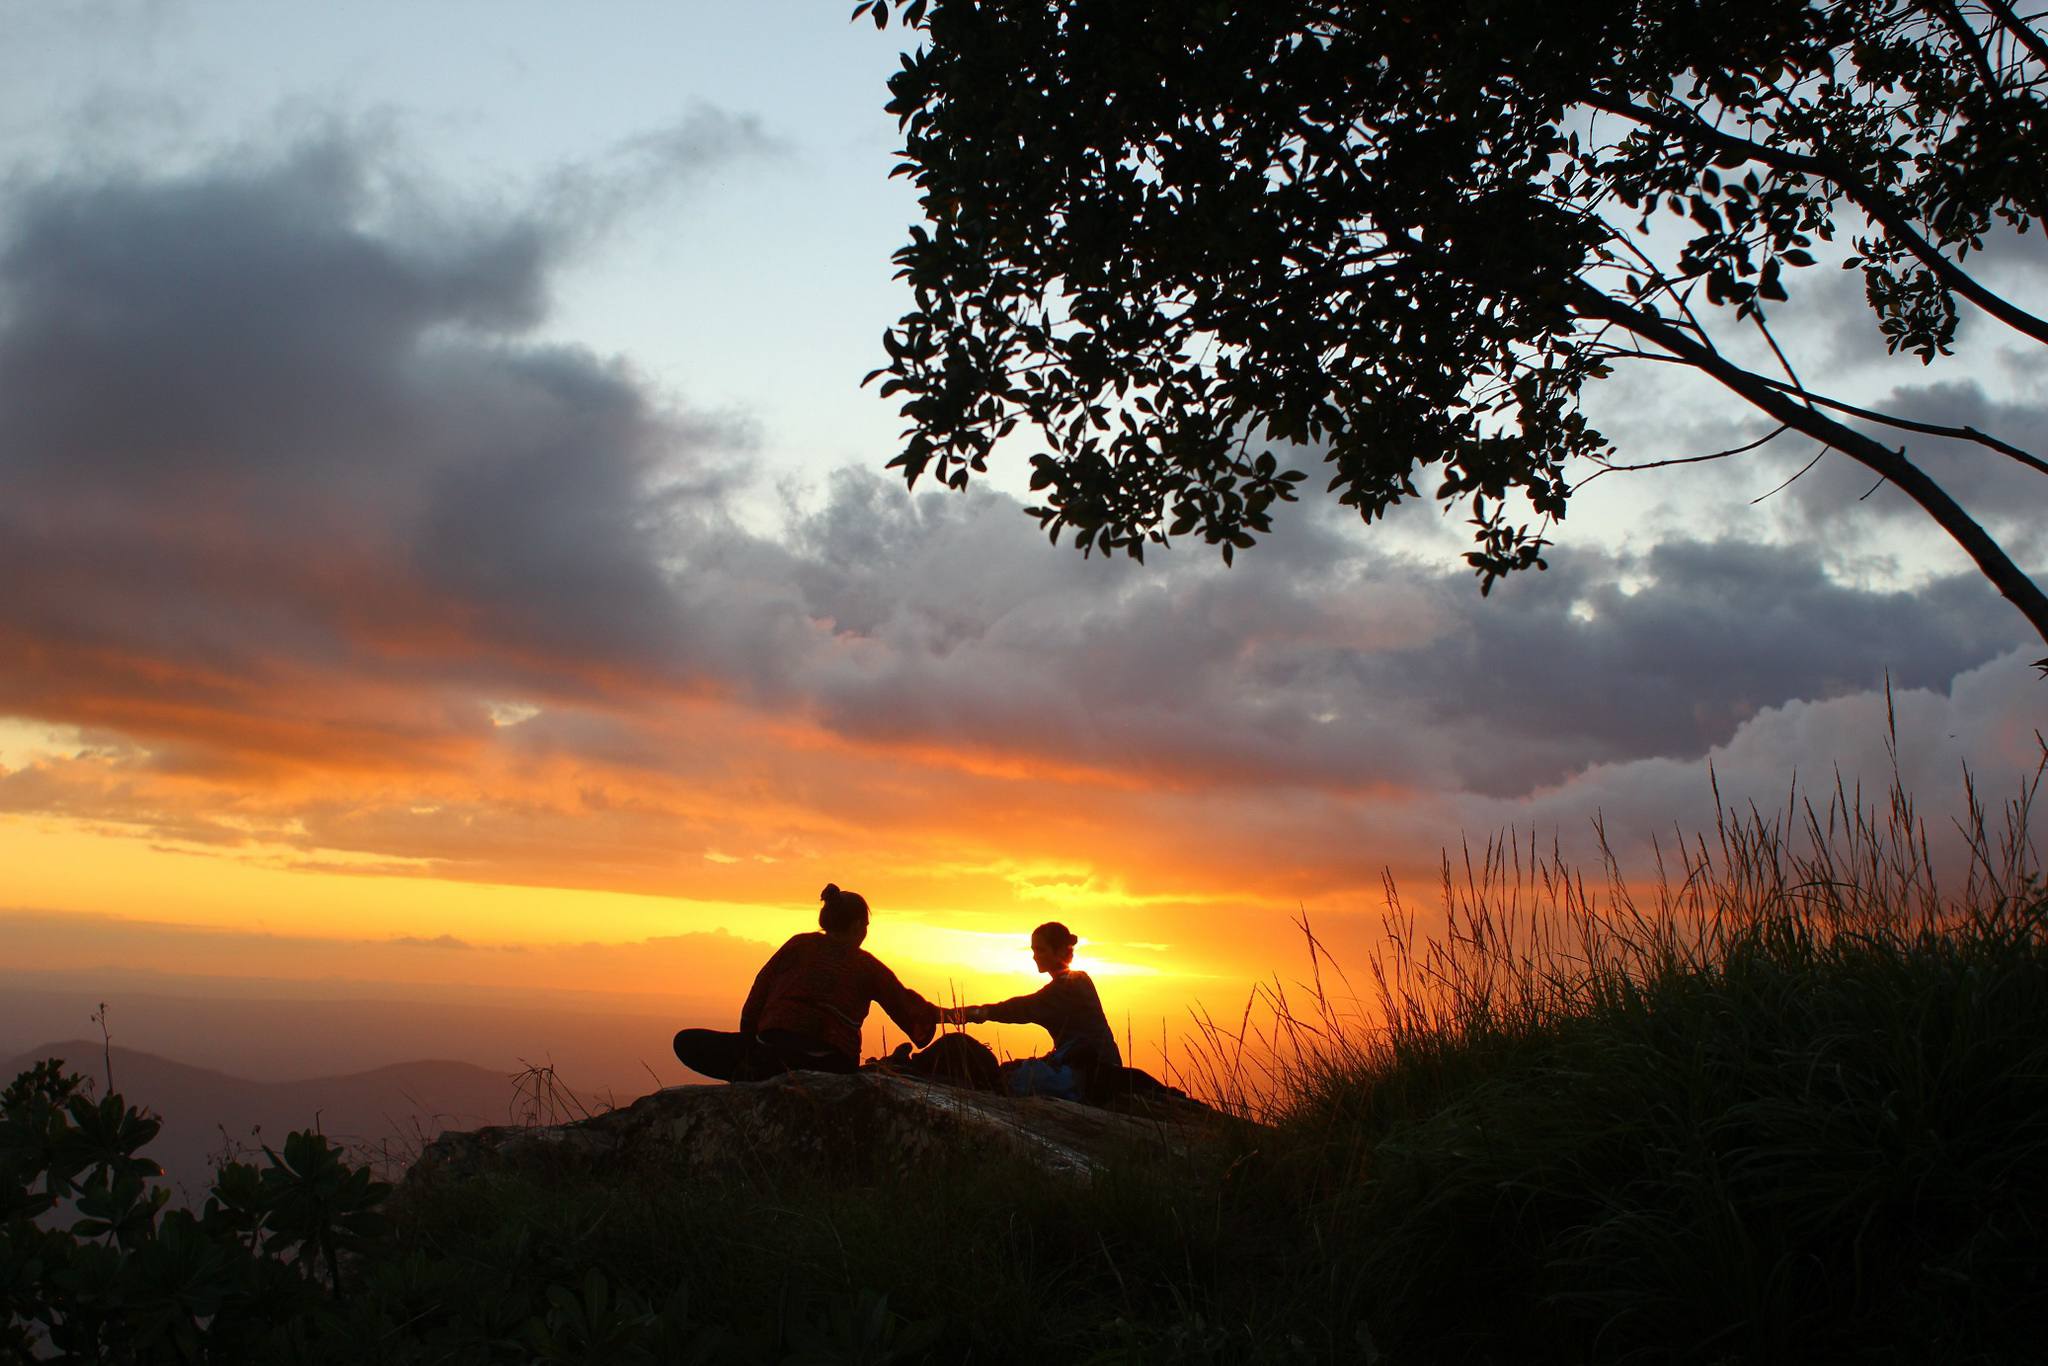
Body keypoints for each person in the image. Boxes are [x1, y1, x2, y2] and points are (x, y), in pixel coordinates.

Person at [673, 884, 939, 1082]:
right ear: (858, 925)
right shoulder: (866, 965)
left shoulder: (798, 945)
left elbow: (758, 995)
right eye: (866, 925)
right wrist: (969, 1014)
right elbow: (908, 1008)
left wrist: (750, 1043)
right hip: (832, 1065)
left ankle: (757, 1068)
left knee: (686, 1041)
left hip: (772, 1053)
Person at [944, 921, 1122, 1101]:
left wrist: (970, 1014)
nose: (1035, 956)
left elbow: (1019, 1008)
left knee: (1011, 1078)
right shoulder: (1078, 981)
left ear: (1060, 951)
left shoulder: (1070, 987)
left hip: (1088, 1076)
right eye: (1033, 950)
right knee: (1009, 1070)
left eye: (1041, 950)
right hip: (1084, 1069)